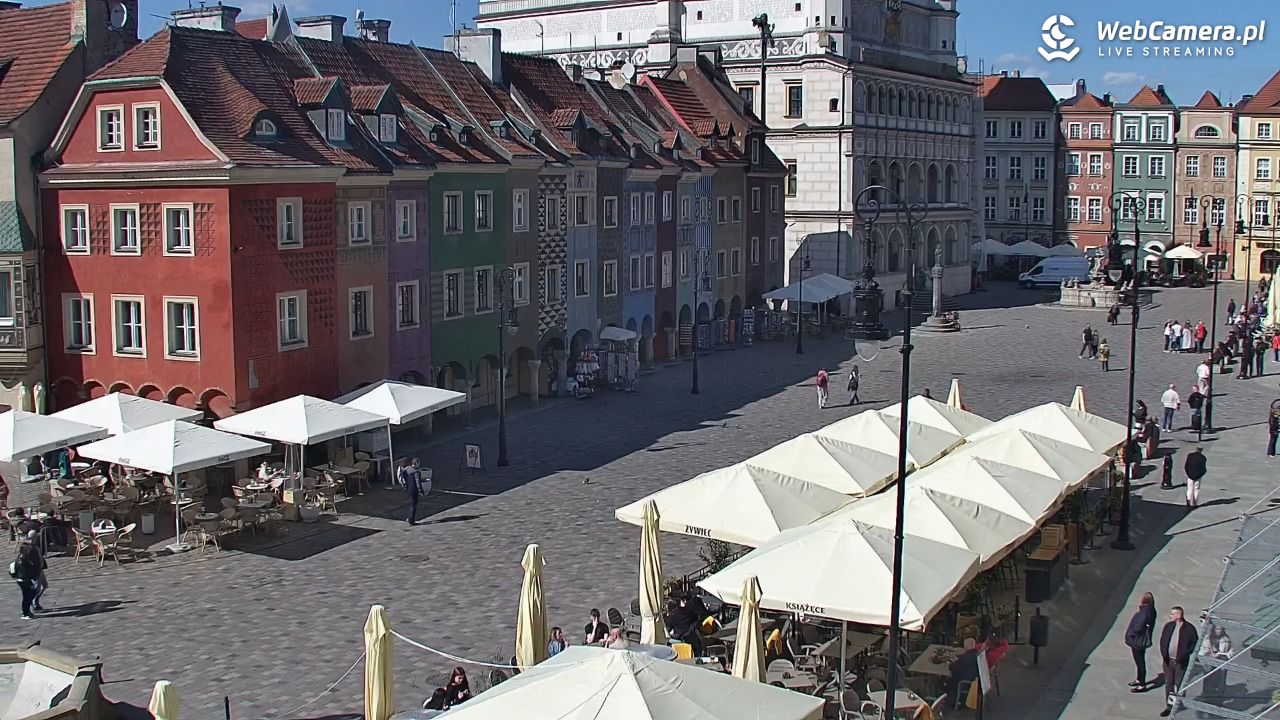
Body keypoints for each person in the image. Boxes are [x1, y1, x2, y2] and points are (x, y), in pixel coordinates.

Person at [1158, 606, 1199, 717]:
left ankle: (1179, 702)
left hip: (1180, 662)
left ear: (1179, 615)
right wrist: (1164, 653)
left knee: (1179, 684)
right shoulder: (1168, 626)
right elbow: (1163, 640)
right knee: (1169, 684)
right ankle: (1169, 706)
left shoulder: (1189, 629)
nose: (1170, 616)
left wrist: (1185, 654)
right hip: (1168, 661)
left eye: (1172, 614)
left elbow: (1194, 643)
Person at [1124, 592, 1157, 691]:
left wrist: (1131, 634)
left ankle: (1141, 684)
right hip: (1142, 640)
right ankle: (1139, 679)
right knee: (1140, 661)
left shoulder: (1143, 612)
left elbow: (1137, 627)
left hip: (1137, 640)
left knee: (1139, 661)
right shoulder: (1151, 611)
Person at [1200, 624, 1232, 696]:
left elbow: (1231, 652)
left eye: (1220, 629)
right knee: (1209, 680)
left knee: (1220, 681)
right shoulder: (1208, 638)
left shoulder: (1226, 639)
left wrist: (1222, 654)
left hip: (1221, 662)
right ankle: (1206, 696)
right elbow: (1202, 650)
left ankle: (1219, 699)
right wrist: (1208, 654)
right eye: (1217, 629)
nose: (1218, 631)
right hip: (1210, 661)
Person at [11, 542, 41, 619]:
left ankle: (26, 611)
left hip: (24, 579)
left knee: (28, 595)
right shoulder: (22, 559)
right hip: (23, 580)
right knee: (29, 595)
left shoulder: (24, 557)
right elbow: (26, 571)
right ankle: (25, 613)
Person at [400, 458, 422, 525]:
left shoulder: (406, 469)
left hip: (408, 489)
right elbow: (417, 483)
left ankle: (409, 518)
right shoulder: (416, 472)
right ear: (416, 463)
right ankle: (411, 520)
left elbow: (402, 477)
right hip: (414, 490)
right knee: (414, 505)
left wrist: (404, 485)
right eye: (418, 464)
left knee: (411, 503)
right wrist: (420, 490)